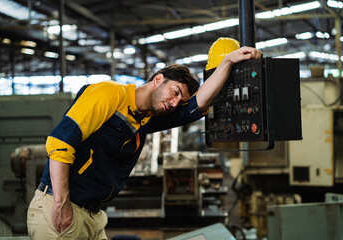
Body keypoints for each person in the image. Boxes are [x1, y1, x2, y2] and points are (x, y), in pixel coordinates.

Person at [27, 46, 261, 239]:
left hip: (91, 215)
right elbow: (60, 143)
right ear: (157, 80)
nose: (174, 102)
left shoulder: (145, 118)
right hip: (59, 207)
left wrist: (228, 62)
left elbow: (195, 106)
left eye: (180, 99)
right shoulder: (110, 94)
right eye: (175, 91)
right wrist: (61, 203)